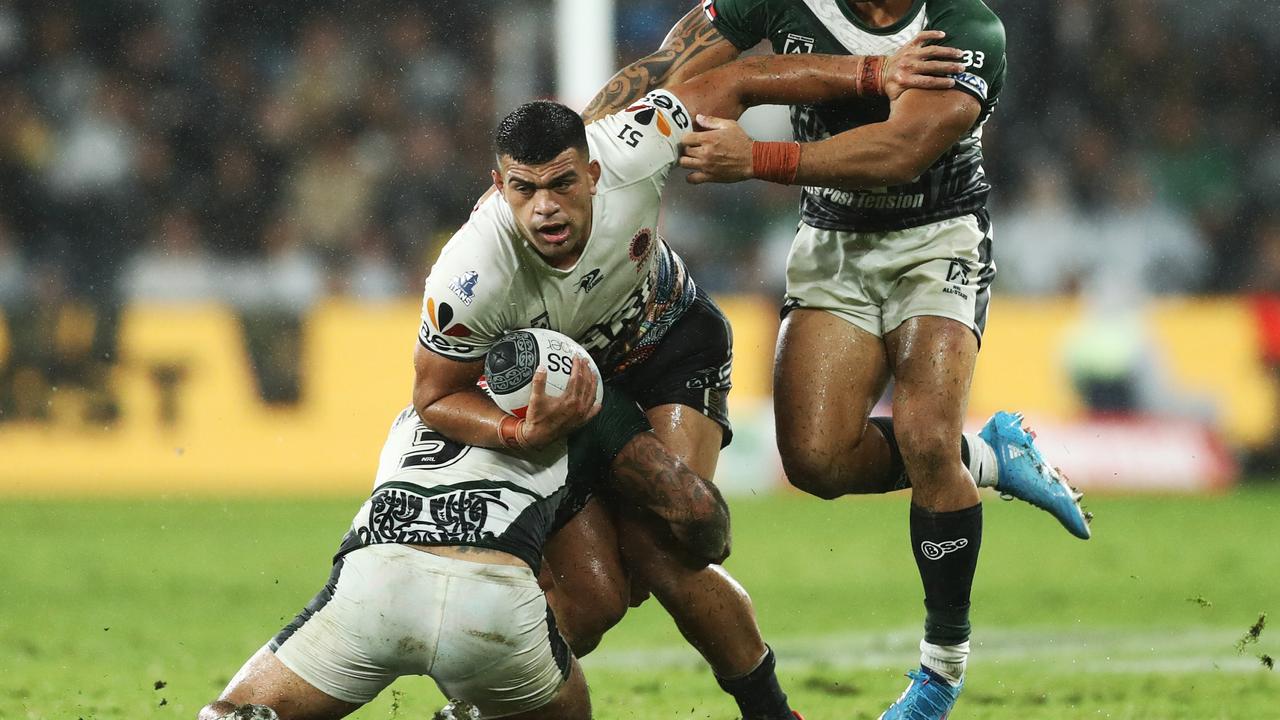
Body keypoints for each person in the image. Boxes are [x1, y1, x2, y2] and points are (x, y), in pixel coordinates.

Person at [412, 41, 964, 720]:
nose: (545, 209)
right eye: (524, 190)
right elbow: (434, 395)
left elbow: (739, 79)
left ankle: (772, 715)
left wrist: (874, 72)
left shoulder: (637, 142)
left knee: (667, 543)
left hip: (670, 342)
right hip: (573, 401)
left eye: (561, 184)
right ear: (501, 188)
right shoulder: (469, 277)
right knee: (591, 604)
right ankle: (477, 707)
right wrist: (512, 429)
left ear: (592, 170)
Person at [583, 1, 1093, 718]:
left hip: (937, 233)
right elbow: (673, 74)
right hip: (834, 238)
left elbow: (902, 148)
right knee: (816, 460)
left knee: (922, 434)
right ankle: (987, 456)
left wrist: (756, 156)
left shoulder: (966, 24)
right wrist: (568, 152)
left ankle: (938, 677)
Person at [199, 378, 733, 720]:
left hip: (375, 584)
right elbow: (696, 513)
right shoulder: (583, 397)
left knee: (232, 710)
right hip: (492, 602)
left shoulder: (421, 403)